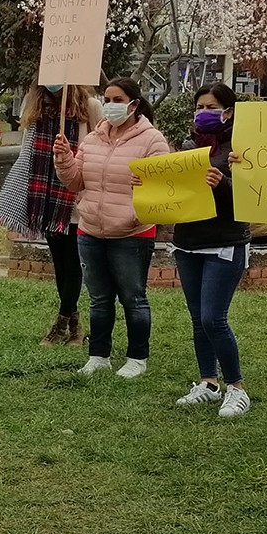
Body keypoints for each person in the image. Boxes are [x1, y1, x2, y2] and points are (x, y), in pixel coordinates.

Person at [53, 77, 172, 378]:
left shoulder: (152, 140)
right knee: (99, 299)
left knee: (133, 298)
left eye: (118, 100)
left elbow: (166, 185)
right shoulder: (93, 139)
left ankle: (137, 357)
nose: (110, 105)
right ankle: (99, 355)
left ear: (134, 103)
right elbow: (77, 182)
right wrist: (64, 160)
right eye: (107, 99)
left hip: (132, 233)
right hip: (91, 230)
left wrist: (147, 185)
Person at [0, 83, 100, 346]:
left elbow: (99, 146)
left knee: (72, 261)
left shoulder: (90, 107)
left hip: (73, 197)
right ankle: (74, 326)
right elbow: (26, 153)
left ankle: (61, 323)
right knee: (60, 262)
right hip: (44, 197)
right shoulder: (34, 103)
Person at [171, 83, 252, 417]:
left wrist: (224, 183)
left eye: (211, 106)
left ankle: (237, 387)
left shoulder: (242, 148)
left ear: (228, 111)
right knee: (197, 319)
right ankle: (208, 382)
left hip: (225, 241)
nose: (203, 112)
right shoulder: (188, 146)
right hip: (188, 241)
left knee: (212, 317)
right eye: (199, 106)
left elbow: (253, 197)